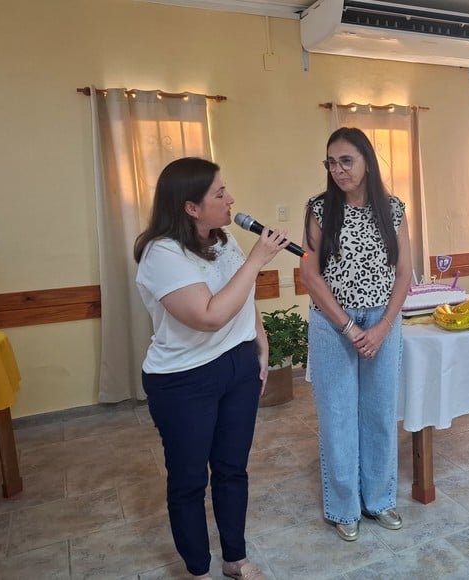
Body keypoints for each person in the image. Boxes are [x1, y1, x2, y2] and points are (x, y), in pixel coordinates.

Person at [134, 157, 287, 580]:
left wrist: (259, 338)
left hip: (236, 364)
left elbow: (241, 293)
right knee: (188, 480)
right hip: (184, 380)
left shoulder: (222, 239)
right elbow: (207, 315)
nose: (231, 199)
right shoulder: (161, 253)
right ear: (190, 208)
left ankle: (234, 559)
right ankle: (198, 570)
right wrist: (258, 258)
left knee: (232, 468)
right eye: (219, 193)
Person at [300, 127, 412, 541]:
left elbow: (404, 274)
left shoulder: (394, 208)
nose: (338, 170)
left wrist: (382, 327)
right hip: (333, 324)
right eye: (331, 162)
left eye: (346, 160)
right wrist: (348, 326)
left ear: (367, 160)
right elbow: (310, 274)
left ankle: (379, 500)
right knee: (338, 417)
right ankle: (344, 507)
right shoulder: (319, 208)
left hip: (383, 320)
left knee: (380, 414)